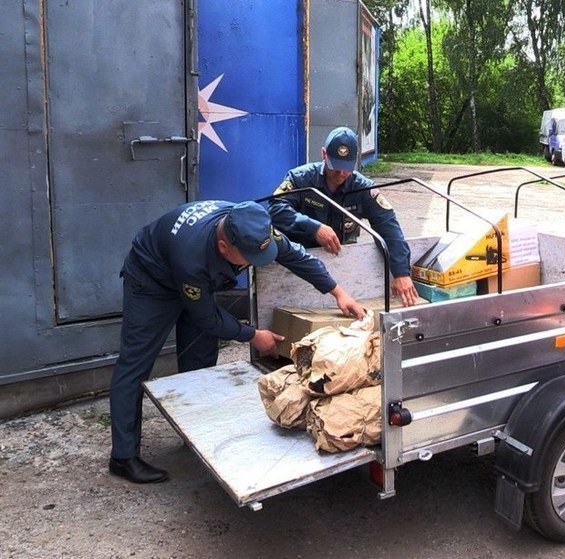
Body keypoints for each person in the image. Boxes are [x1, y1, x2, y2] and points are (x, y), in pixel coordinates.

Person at [108, 200, 364, 484]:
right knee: (135, 364)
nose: (259, 261)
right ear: (223, 247)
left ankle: (193, 433)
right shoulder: (191, 256)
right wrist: (253, 336)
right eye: (252, 257)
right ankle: (123, 457)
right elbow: (206, 316)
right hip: (152, 282)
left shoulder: (251, 225)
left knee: (201, 361)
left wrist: (338, 292)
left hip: (198, 281)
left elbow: (295, 256)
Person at [268, 127, 419, 307]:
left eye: (346, 168)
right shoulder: (300, 179)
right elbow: (276, 210)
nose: (341, 174)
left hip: (342, 263)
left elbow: (388, 227)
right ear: (323, 154)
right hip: (298, 263)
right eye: (335, 166)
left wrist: (401, 272)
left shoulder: (363, 188)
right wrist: (313, 228)